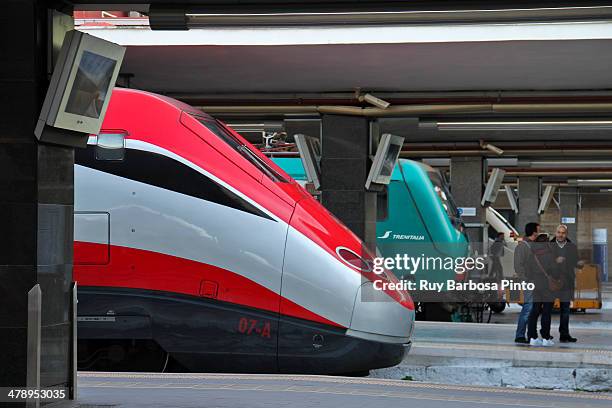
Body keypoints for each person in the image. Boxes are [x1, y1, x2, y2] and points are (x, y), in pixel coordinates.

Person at [527, 233, 562, 347]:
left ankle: (532, 337)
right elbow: (556, 272)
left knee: (535, 311)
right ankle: (546, 338)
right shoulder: (550, 254)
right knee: (546, 312)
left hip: (536, 285)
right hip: (548, 287)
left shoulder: (532, 254)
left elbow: (527, 271)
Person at [550, 224, 580, 343]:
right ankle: (546, 334)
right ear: (555, 233)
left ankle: (564, 334)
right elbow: (544, 262)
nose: (560, 235)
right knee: (547, 309)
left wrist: (579, 264)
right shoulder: (549, 246)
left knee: (565, 310)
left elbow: (575, 261)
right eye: (558, 232)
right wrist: (555, 261)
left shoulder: (572, 247)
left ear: (566, 234)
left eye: (563, 233)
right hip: (552, 282)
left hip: (566, 282)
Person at [514, 222, 540, 344]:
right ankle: (519, 335)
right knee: (528, 308)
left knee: (532, 308)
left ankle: (530, 334)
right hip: (528, 282)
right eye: (538, 230)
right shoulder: (522, 246)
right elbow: (518, 266)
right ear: (534, 232)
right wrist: (525, 279)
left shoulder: (533, 245)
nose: (539, 232)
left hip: (535, 281)